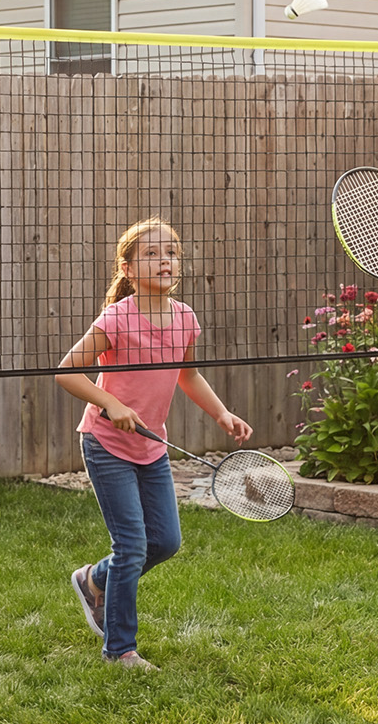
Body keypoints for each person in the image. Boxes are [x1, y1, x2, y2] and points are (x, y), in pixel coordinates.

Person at [55, 218, 252, 671]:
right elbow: (66, 371)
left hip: (152, 446)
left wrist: (221, 412)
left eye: (171, 253)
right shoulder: (116, 319)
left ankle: (93, 580)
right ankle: (120, 649)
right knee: (132, 547)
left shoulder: (185, 317)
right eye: (151, 254)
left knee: (165, 541)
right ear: (126, 268)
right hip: (106, 443)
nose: (165, 260)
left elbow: (188, 375)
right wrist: (110, 403)